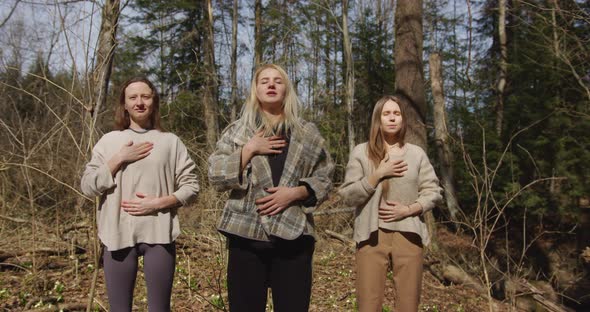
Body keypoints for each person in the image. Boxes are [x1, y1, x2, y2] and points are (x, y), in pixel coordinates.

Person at [208, 64, 334, 312]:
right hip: (245, 235)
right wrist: (249, 149)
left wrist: (298, 192)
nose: (271, 84)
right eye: (264, 80)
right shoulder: (238, 131)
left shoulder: (307, 132)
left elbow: (326, 175)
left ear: (287, 89)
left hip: (294, 235)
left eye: (278, 80)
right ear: (255, 89)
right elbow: (215, 175)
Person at [80, 77, 199, 312]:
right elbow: (88, 186)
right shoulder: (109, 141)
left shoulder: (170, 142)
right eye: (133, 97)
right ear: (124, 104)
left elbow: (192, 187)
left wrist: (160, 202)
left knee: (159, 309)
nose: (139, 102)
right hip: (117, 235)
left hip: (159, 235)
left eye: (145, 96)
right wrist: (118, 158)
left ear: (154, 101)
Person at [338, 94, 442, 312]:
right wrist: (377, 175)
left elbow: (433, 191)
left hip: (409, 234)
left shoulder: (416, 154)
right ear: (378, 119)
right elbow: (348, 195)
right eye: (386, 113)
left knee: (408, 303)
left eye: (397, 113)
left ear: (403, 120)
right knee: (368, 304)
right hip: (371, 235)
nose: (392, 118)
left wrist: (410, 209)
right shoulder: (361, 152)